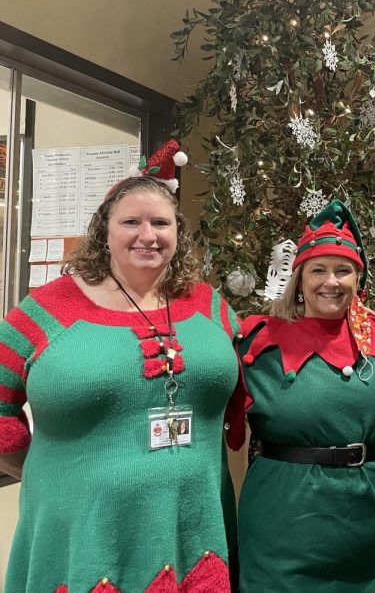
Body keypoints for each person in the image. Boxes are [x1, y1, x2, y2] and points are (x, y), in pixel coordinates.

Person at [0, 140, 240, 592]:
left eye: (160, 223)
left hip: (193, 522)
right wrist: (53, 471)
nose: (146, 235)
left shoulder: (211, 307)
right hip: (85, 531)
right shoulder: (46, 312)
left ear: (177, 233)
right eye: (131, 221)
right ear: (103, 232)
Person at [225, 199, 375, 591]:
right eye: (318, 270)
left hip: (368, 536)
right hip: (283, 536)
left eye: (343, 270)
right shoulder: (259, 342)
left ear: (358, 279)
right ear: (300, 279)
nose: (331, 281)